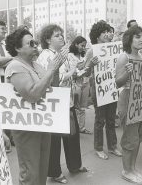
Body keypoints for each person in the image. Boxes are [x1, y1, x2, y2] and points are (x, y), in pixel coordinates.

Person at [5, 27, 65, 185]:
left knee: (42, 169)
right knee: (30, 171)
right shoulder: (15, 66)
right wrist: (51, 69)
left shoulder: (36, 65)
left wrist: (55, 71)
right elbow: (32, 94)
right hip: (26, 128)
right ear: (17, 48)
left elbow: (51, 88)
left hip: (42, 123)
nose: (35, 46)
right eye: (30, 43)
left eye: (35, 42)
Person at [37, 24, 87, 184]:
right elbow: (48, 80)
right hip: (54, 103)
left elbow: (70, 74)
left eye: (61, 34)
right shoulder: (45, 56)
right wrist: (69, 73)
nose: (61, 37)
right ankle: (55, 172)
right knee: (55, 140)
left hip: (67, 100)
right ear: (47, 39)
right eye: (57, 35)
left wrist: (80, 71)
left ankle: (75, 165)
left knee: (72, 134)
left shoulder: (61, 54)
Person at [115, 26, 142, 184]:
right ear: (129, 39)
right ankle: (126, 171)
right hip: (128, 98)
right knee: (130, 137)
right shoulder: (124, 57)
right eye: (137, 37)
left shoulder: (141, 55)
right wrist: (127, 72)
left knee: (139, 135)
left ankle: (133, 168)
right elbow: (117, 83)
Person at [86, 20, 122, 160]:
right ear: (97, 36)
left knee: (111, 119)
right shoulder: (92, 51)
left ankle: (112, 146)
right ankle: (99, 147)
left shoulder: (114, 49)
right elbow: (84, 71)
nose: (108, 34)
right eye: (104, 32)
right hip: (98, 89)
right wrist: (90, 64)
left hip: (112, 88)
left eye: (109, 31)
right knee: (100, 120)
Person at [68, 36, 92, 134]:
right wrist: (84, 68)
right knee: (75, 107)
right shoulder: (69, 56)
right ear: (76, 44)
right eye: (82, 45)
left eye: (84, 46)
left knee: (82, 107)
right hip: (75, 84)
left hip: (85, 82)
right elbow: (73, 72)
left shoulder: (84, 56)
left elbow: (87, 72)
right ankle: (75, 128)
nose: (83, 47)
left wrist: (87, 68)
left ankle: (81, 128)